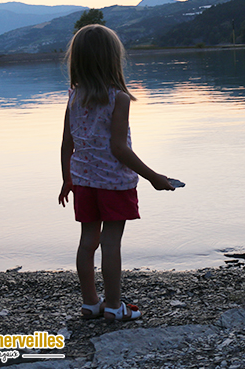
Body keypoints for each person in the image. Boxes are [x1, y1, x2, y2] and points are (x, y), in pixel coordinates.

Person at [58, 24, 175, 321]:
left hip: (84, 183)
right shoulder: (118, 98)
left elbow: (66, 144)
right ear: (113, 60)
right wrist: (154, 177)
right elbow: (119, 149)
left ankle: (89, 303)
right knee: (111, 242)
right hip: (113, 183)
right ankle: (113, 306)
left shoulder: (73, 98)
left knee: (87, 241)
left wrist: (67, 180)